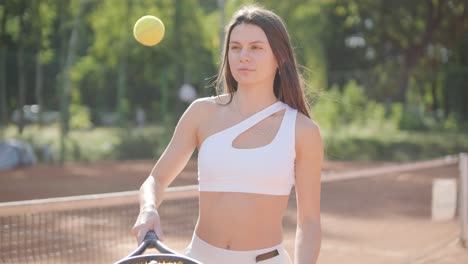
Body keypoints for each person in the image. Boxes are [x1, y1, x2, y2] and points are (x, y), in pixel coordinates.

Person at [131, 5, 323, 264]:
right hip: (199, 258)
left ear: (280, 57)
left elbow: (309, 222)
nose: (244, 56)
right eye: (235, 47)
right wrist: (148, 208)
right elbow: (156, 179)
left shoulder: (303, 131)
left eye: (256, 47)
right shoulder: (201, 113)